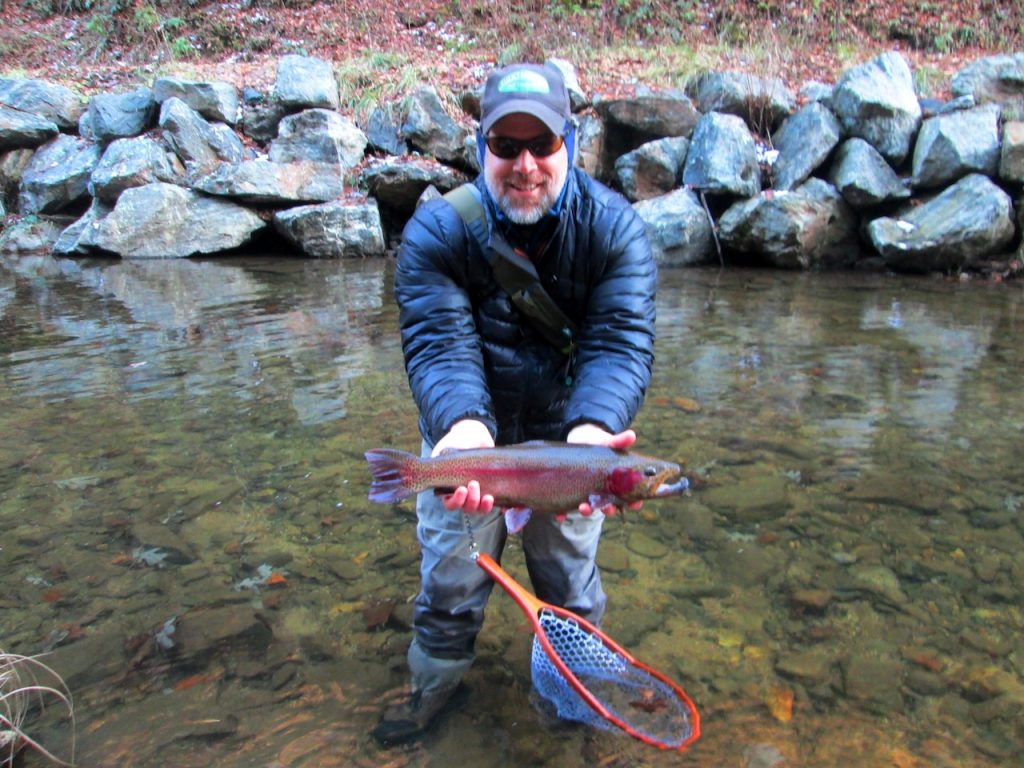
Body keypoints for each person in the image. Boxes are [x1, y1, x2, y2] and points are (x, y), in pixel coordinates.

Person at [372, 62, 657, 745]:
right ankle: (430, 691)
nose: (524, 165)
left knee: (572, 595)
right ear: (481, 151)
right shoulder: (438, 233)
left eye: (542, 145)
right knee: (449, 589)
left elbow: (619, 346)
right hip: (468, 446)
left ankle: (578, 704)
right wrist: (461, 433)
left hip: (569, 448)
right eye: (505, 147)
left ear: (571, 142)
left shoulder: (616, 232)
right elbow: (440, 346)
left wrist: (591, 443)